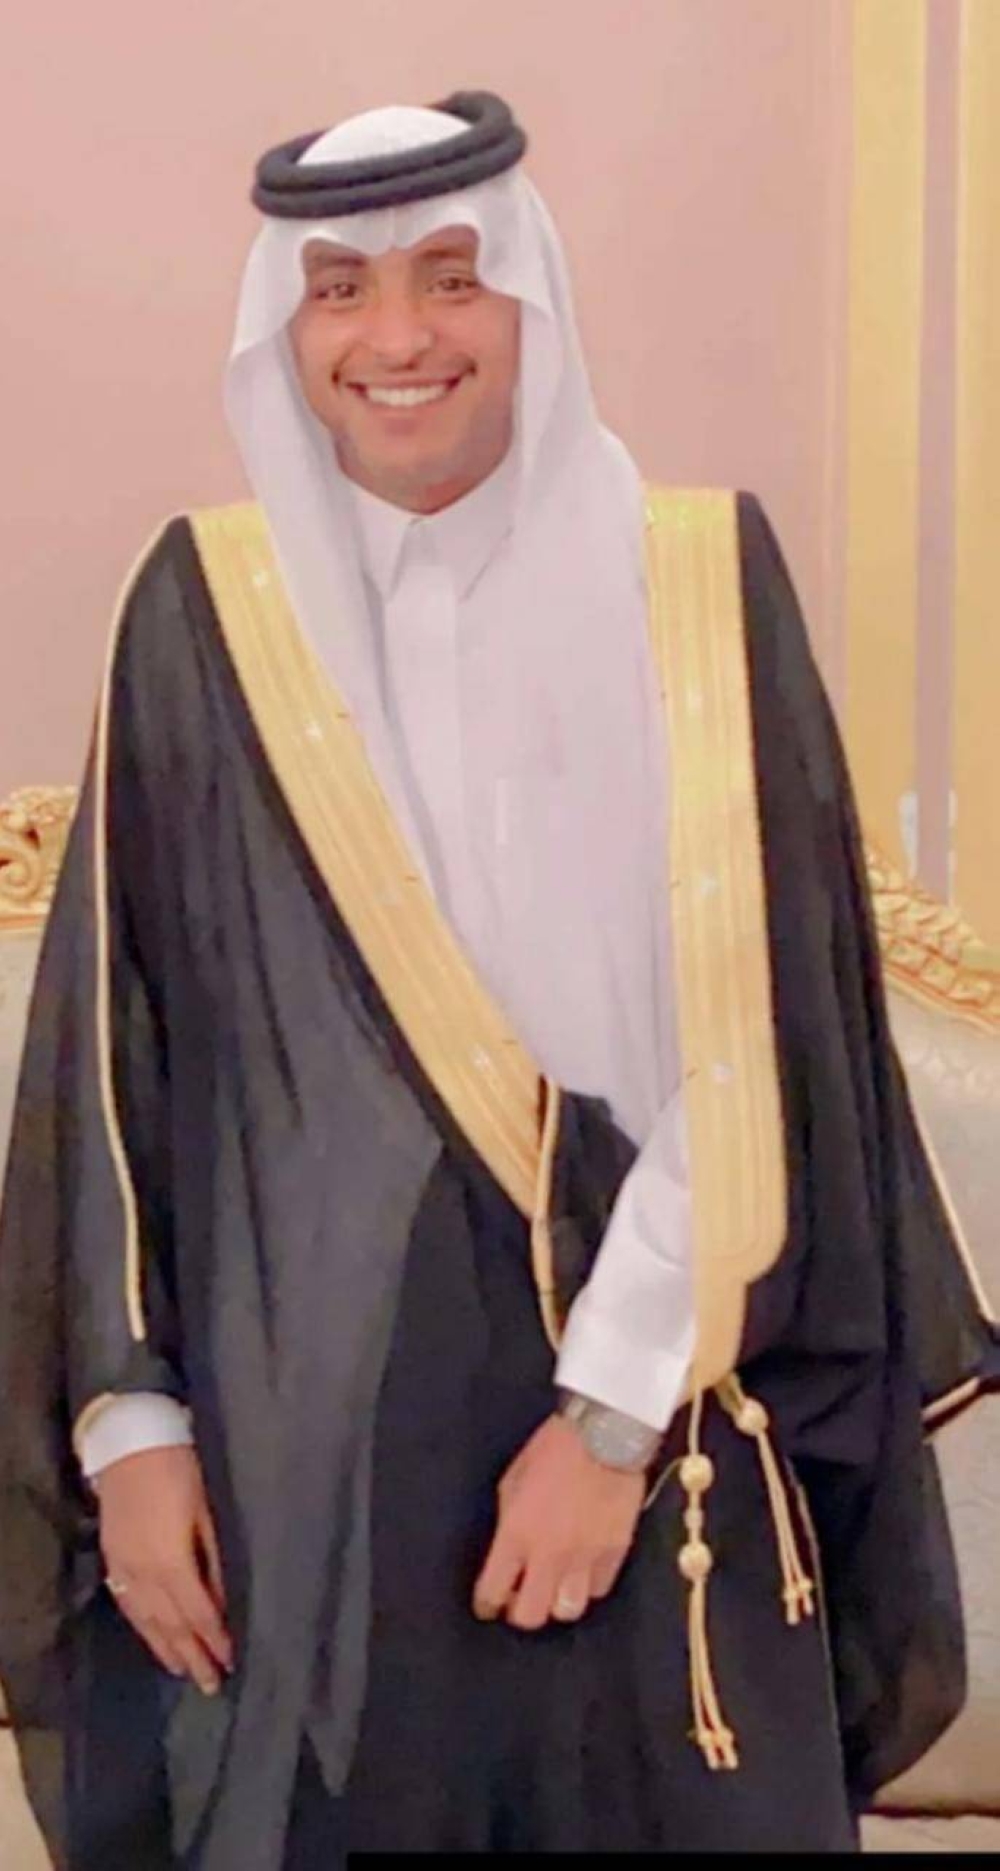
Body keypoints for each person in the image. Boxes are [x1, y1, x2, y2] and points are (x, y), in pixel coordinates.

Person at [0, 91, 996, 1868]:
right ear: (287, 325)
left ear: (528, 293)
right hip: (302, 1453)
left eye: (450, 277)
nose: (397, 336)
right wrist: (131, 1428)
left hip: (667, 1407)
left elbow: (764, 1043)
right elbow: (113, 1044)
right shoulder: (203, 608)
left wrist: (606, 1426)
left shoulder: (698, 583)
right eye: (340, 290)